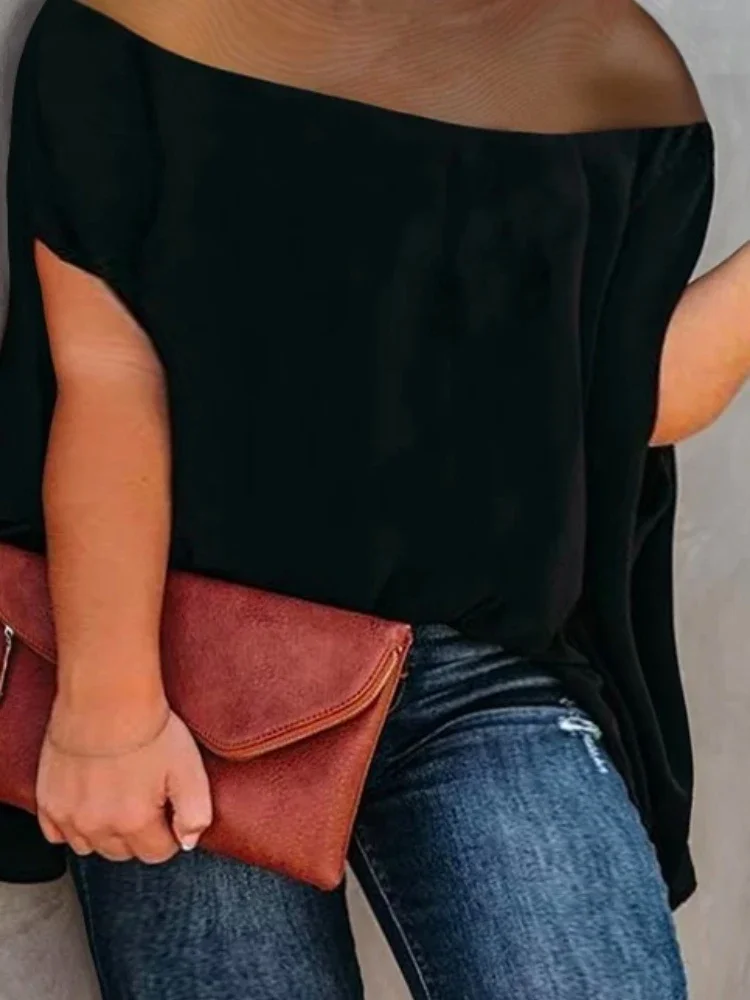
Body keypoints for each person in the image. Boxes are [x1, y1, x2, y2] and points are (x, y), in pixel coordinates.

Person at [0, 0, 747, 996]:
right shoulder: (141, 25)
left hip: (493, 667)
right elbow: (105, 373)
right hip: (193, 668)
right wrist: (110, 708)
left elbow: (617, 404)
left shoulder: (610, 60)